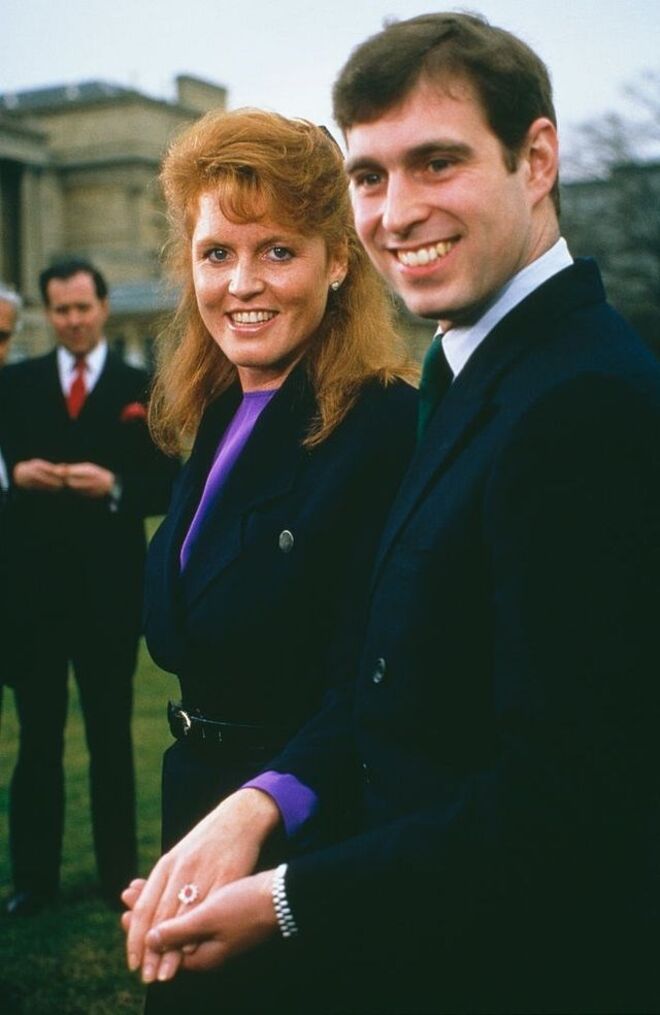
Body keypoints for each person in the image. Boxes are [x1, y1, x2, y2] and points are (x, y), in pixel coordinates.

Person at [123, 13, 660, 1014]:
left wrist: (285, 894)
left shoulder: (586, 403)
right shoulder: (468, 368)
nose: (397, 210)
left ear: (536, 158)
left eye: (438, 161)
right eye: (371, 175)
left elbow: (572, 796)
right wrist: (249, 806)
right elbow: (399, 681)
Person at [134, 106, 417, 1011]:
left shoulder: (383, 427)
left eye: (278, 251)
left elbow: (380, 684)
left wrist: (261, 807)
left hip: (310, 849)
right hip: (202, 819)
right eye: (217, 253)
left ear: (340, 261)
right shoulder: (216, 411)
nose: (242, 283)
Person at [0, 258, 177, 917]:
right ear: (49, 314)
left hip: (108, 597)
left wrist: (116, 489)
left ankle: (115, 877)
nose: (73, 321)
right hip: (34, 598)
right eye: (61, 311)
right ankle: (34, 882)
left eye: (83, 308)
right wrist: (17, 474)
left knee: (109, 736)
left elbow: (172, 483)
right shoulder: (15, 384)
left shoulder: (141, 385)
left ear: (102, 307)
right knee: (38, 738)